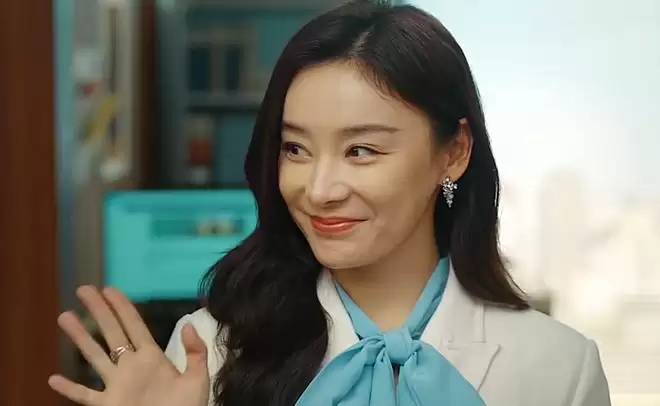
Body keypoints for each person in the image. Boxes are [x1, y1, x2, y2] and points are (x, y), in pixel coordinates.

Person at [48, 1, 611, 405]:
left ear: (454, 152)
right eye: (295, 148)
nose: (318, 190)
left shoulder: (557, 367)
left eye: (361, 150)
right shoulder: (213, 347)